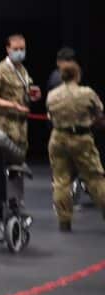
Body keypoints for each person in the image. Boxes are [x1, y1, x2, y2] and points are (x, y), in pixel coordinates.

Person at [46, 60, 105, 231]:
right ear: (77, 75)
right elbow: (99, 115)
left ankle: (64, 221)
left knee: (60, 181)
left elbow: (50, 114)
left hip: (58, 138)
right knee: (95, 177)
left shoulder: (52, 95)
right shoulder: (87, 93)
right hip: (81, 138)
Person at [0, 34, 41, 158]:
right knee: (4, 163)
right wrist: (13, 105)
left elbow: (25, 91)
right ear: (8, 49)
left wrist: (33, 94)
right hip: (5, 125)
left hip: (21, 126)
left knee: (19, 164)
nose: (20, 52)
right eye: (16, 49)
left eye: (22, 49)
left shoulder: (23, 70)